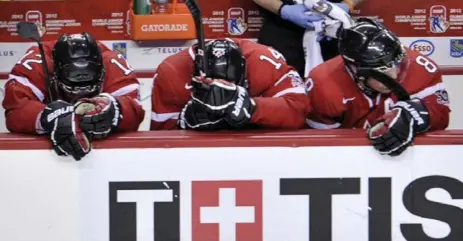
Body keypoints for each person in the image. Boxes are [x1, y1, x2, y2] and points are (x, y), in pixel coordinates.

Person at [306, 18, 450, 156]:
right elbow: (322, 146)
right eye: (382, 72)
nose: (394, 76)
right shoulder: (324, 82)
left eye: (397, 64)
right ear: (355, 69)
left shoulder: (421, 68)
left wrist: (417, 114)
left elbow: (442, 115)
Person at [2, 33, 145, 160]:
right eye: (73, 85)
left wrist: (115, 110)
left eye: (89, 85)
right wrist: (48, 116)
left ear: (102, 69)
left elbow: (135, 108)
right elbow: (15, 109)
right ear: (55, 72)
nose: (81, 93)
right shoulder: (36, 64)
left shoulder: (113, 63)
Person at [150, 38, 310, 130]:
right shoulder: (172, 71)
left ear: (245, 67)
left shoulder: (267, 61)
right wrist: (185, 121)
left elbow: (300, 112)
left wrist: (252, 107)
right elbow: (160, 135)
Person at [253, 0, 364, 77]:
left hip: (332, 32)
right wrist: (283, 9)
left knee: (332, 95)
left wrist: (348, 4)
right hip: (281, 31)